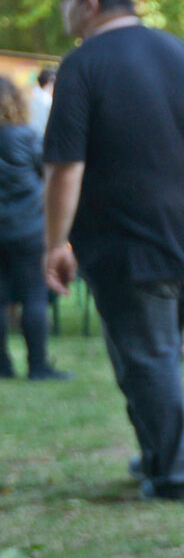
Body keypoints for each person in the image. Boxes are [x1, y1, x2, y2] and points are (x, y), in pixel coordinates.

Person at [43, 0, 184, 503]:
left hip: (131, 249)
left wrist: (56, 242)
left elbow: (64, 167)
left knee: (148, 363)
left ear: (91, 3)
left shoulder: (82, 66)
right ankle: (155, 454)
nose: (63, 9)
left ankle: (175, 479)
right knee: (150, 359)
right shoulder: (179, 52)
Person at [0, 76, 68, 381]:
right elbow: (48, 174)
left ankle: (3, 366)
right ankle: (38, 365)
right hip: (28, 227)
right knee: (33, 295)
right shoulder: (27, 136)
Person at [27, 67, 55, 139]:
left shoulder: (31, 96)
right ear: (50, 82)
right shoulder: (48, 101)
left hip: (30, 136)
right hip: (42, 137)